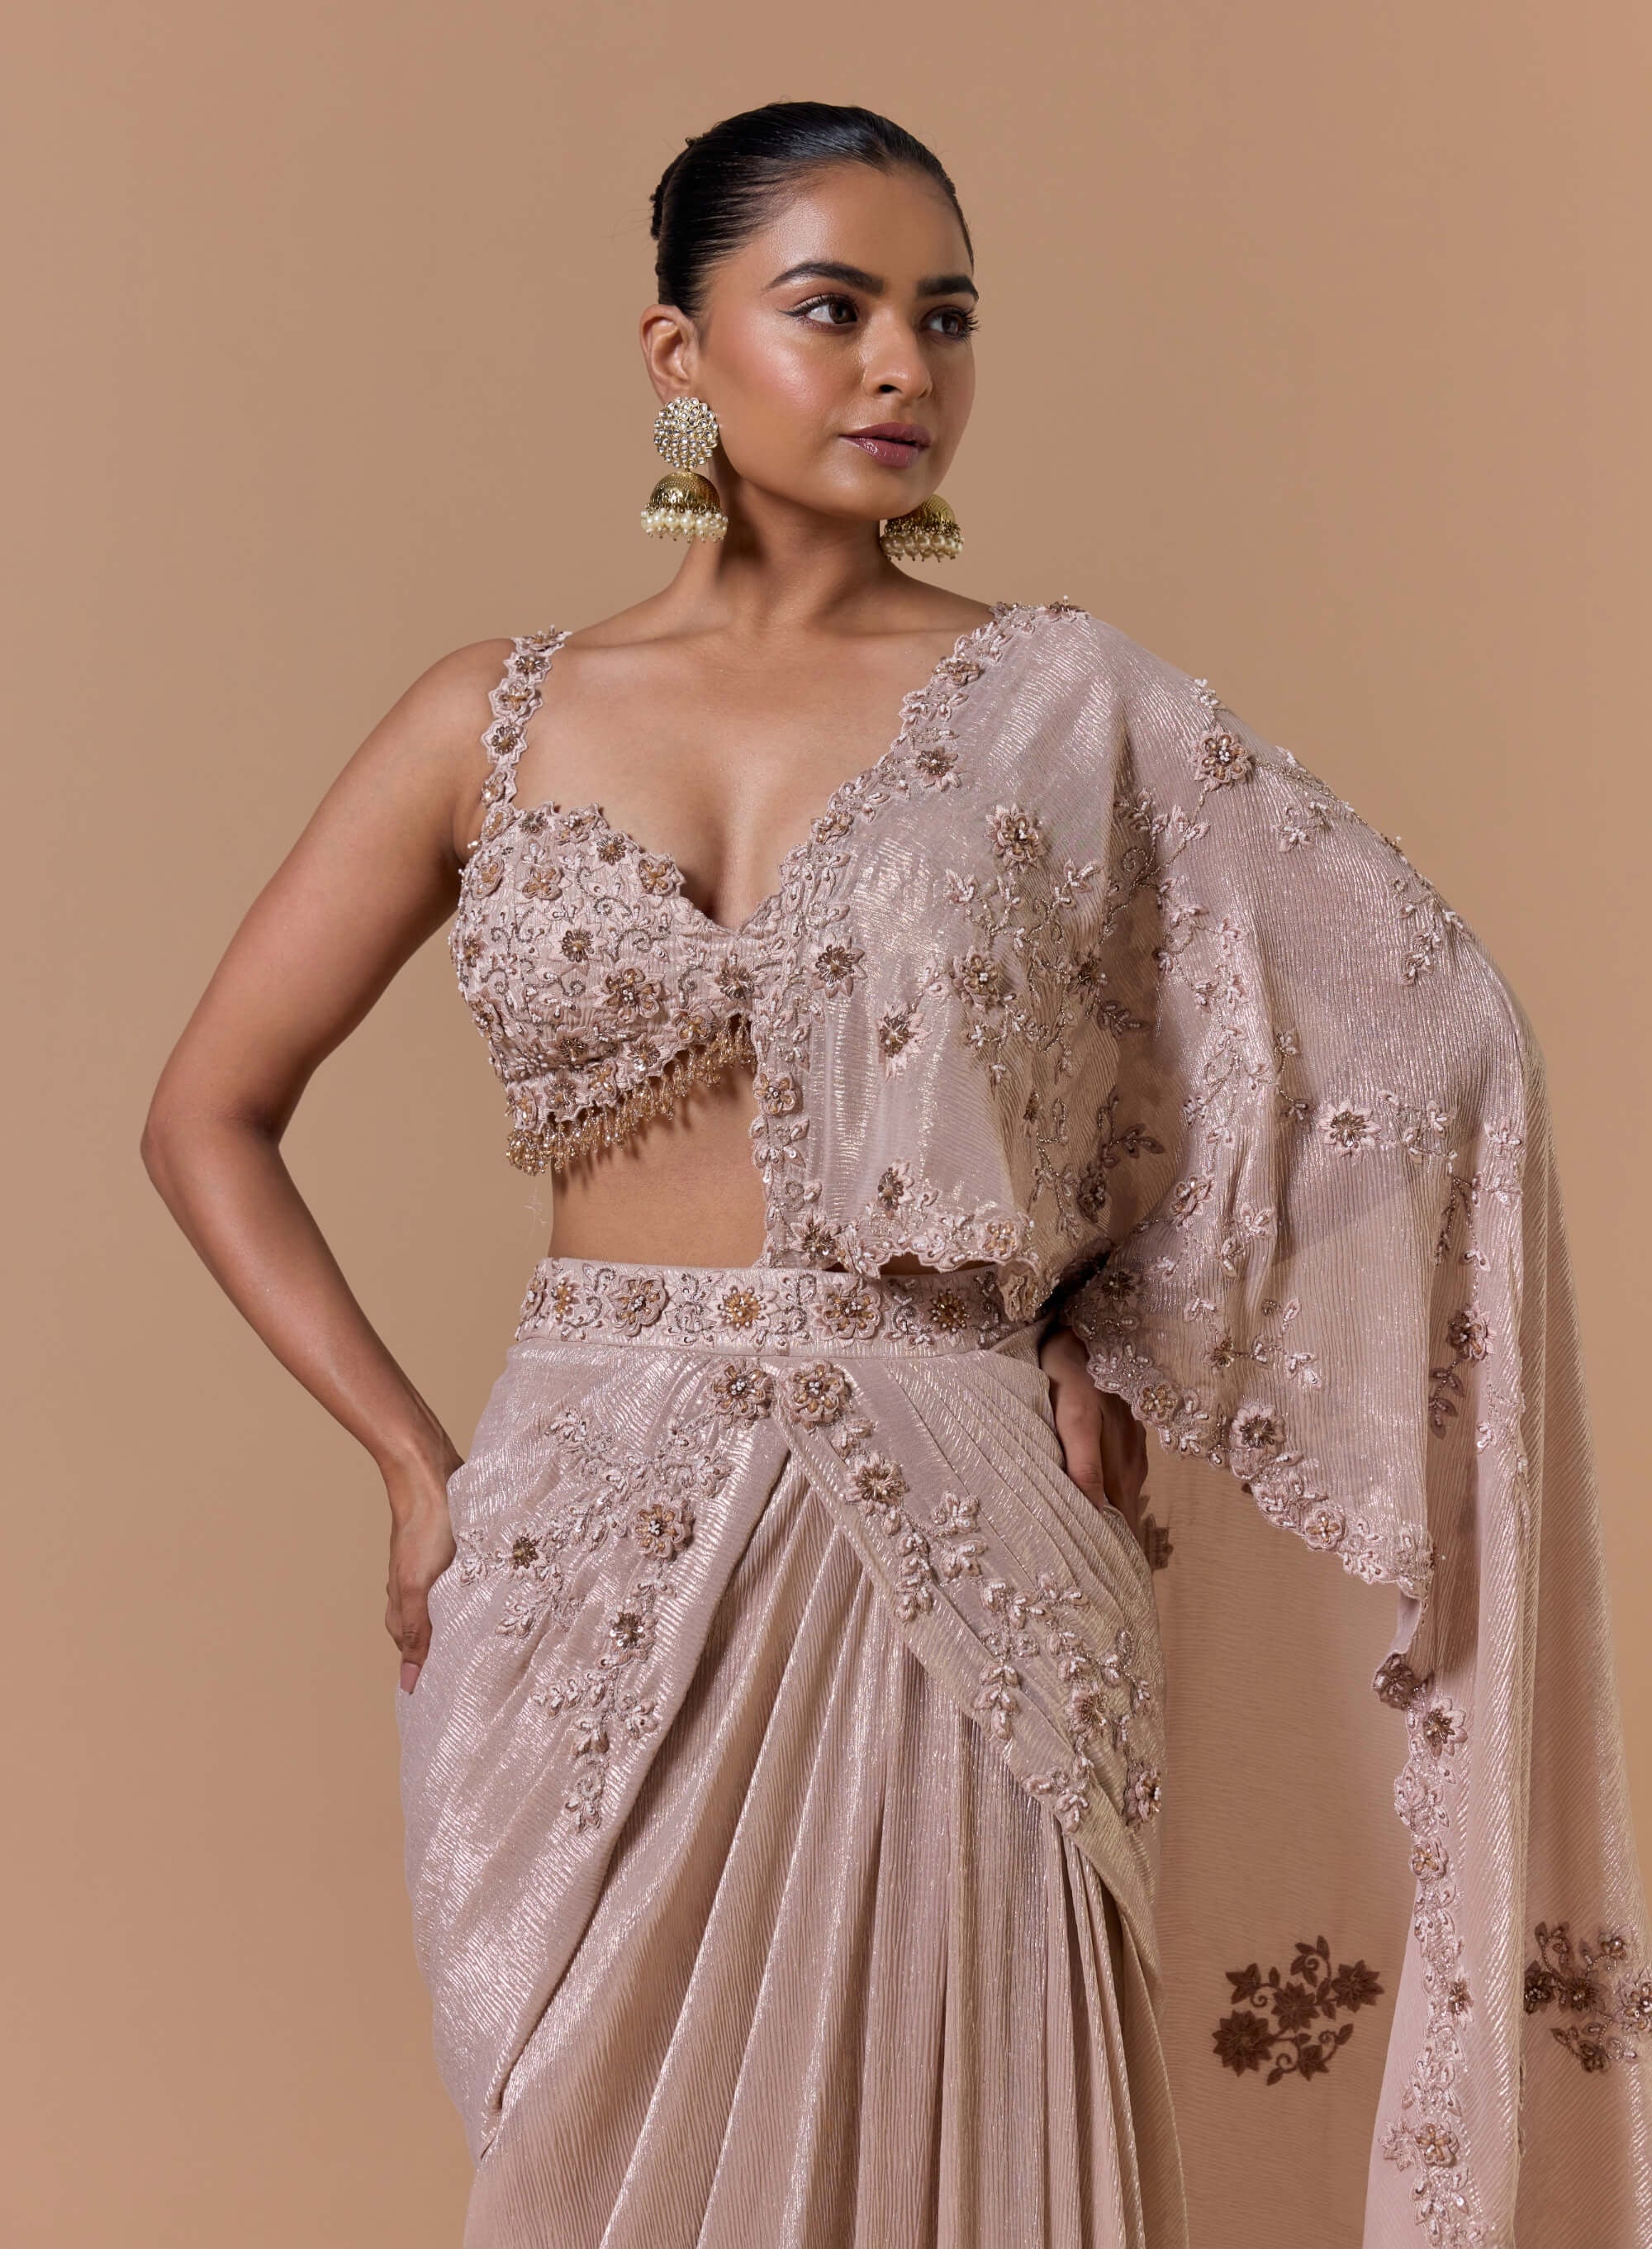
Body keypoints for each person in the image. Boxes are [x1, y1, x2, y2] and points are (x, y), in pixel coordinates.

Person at [140, 98, 1650, 2249]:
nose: (901, 368)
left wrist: (1106, 1302)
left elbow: (1421, 1038)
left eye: (945, 318)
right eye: (832, 309)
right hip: (582, 1543)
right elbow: (206, 1111)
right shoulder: (492, 716)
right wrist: (406, 1459)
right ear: (679, 352)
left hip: (964, 1532)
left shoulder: (1063, 707)